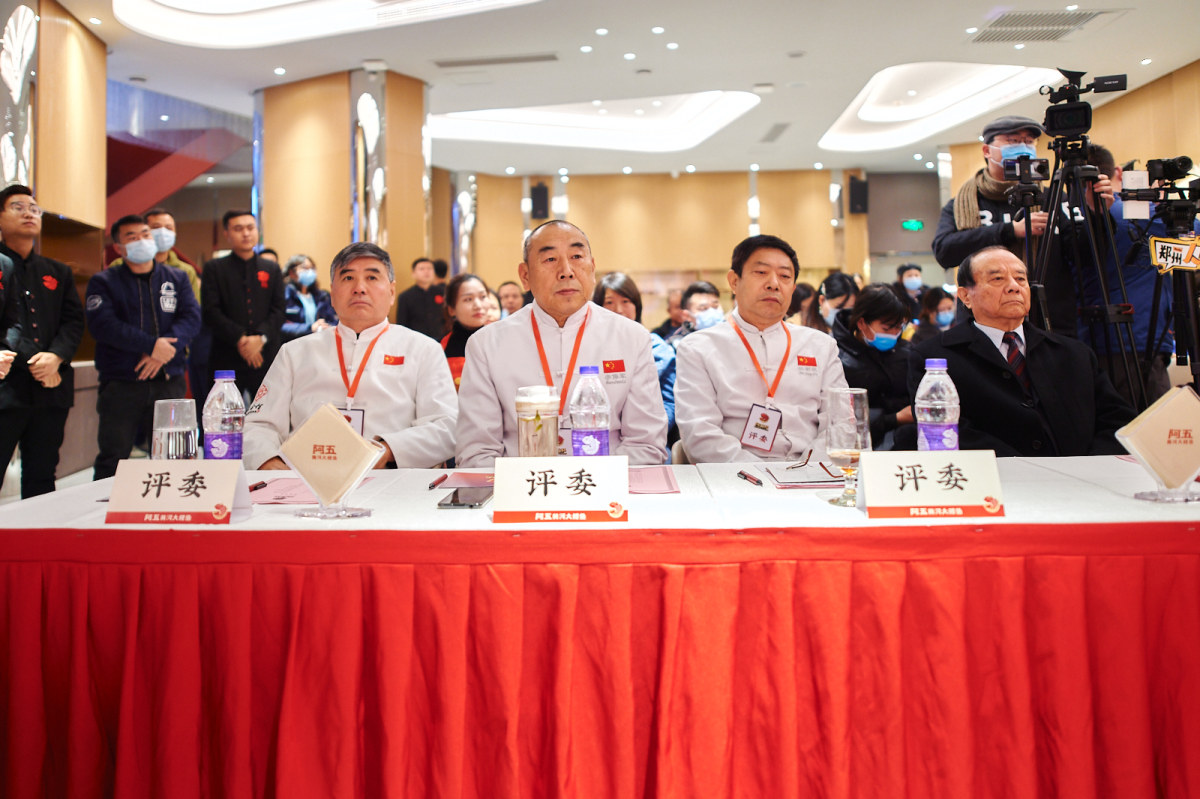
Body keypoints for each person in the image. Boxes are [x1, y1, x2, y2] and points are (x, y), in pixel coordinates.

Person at [455, 220, 668, 466]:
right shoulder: (486, 345)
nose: (566, 271)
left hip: (608, 481)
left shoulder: (632, 338)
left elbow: (645, 443)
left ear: (592, 268)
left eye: (576, 257)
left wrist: (593, 480)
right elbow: (477, 451)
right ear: (525, 276)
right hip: (522, 482)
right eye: (550, 259)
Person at [244, 241, 458, 470]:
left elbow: (446, 426)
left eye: (372, 277)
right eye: (348, 278)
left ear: (392, 291)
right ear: (332, 293)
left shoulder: (423, 349)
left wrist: (388, 449)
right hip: (306, 480)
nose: (359, 288)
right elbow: (258, 425)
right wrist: (269, 461)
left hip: (394, 479)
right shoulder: (295, 352)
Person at [908, 246, 1133, 457]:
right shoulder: (933, 358)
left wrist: (1087, 467)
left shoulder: (1074, 354)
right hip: (995, 478)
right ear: (966, 296)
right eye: (997, 279)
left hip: (1080, 477)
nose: (1014, 286)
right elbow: (949, 435)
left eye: (1020, 279)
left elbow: (1118, 421)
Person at [675, 234, 847, 463]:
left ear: (793, 288)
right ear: (734, 281)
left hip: (812, 474)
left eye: (785, 276)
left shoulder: (821, 346)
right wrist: (763, 477)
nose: (774, 283)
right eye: (761, 272)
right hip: (734, 477)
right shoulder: (698, 348)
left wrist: (807, 470)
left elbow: (841, 423)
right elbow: (700, 434)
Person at [931, 114, 1106, 335]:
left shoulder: (1053, 198)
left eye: (1028, 141)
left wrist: (1097, 213)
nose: (1022, 147)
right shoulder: (962, 204)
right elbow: (944, 251)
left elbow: (1087, 257)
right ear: (987, 151)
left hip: (1049, 322)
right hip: (981, 327)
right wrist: (1010, 231)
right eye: (1013, 141)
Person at [1077, 144, 1198, 407]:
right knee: (1149, 424)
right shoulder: (1133, 214)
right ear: (1118, 173)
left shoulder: (1088, 214)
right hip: (1138, 339)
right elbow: (1191, 234)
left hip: (1100, 335)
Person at [86, 214, 201, 479]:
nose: (142, 240)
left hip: (168, 380)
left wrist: (162, 353)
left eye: (145, 234)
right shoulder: (104, 281)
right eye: (132, 237)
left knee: (173, 455)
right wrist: (151, 346)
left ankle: (171, 502)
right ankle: (106, 504)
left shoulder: (177, 278)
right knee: (113, 456)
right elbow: (103, 325)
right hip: (122, 381)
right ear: (119, 248)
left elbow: (192, 318)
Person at [0, 185, 84, 498]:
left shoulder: (57, 271)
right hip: (8, 385)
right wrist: (38, 361)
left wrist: (56, 357)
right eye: (18, 207)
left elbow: (74, 322)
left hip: (52, 385)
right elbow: (10, 325)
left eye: (34, 209)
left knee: (43, 475)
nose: (29, 214)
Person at [201, 210, 285, 400]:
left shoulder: (271, 268)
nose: (246, 233)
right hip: (226, 355)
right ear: (227, 234)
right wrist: (241, 339)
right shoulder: (214, 268)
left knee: (269, 410)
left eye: (250, 228)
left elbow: (279, 310)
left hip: (265, 355)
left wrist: (260, 338)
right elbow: (210, 311)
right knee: (223, 412)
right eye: (238, 229)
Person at [832, 284, 915, 450]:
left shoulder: (906, 352)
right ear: (862, 323)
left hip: (905, 443)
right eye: (887, 328)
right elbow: (838, 417)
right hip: (856, 446)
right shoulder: (837, 357)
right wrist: (895, 418)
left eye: (899, 327)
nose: (894, 334)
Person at [594, 271, 677, 436]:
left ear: (636, 306)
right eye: (609, 302)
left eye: (625, 301)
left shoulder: (657, 348)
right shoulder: (590, 348)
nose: (618, 310)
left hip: (647, 436)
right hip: (601, 435)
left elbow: (669, 403)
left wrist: (646, 432)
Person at [441, 272, 490, 389]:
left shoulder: (501, 342)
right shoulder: (439, 348)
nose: (478, 305)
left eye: (483, 297)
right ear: (451, 310)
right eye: (468, 299)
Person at [281, 254, 337, 342]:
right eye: (305, 268)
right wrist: (310, 328)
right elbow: (279, 326)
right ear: (292, 273)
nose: (310, 272)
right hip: (293, 344)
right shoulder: (284, 295)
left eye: (312, 268)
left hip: (318, 344)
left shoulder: (322, 296)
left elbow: (333, 320)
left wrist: (326, 326)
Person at [394, 256, 445, 340]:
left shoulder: (443, 293)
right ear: (413, 274)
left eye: (429, 268)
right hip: (416, 341)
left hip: (440, 340)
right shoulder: (405, 296)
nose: (426, 271)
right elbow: (402, 324)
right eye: (422, 269)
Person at [666, 280, 723, 346]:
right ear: (686, 315)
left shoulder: (730, 334)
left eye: (715, 306)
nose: (711, 312)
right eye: (703, 308)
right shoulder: (678, 344)